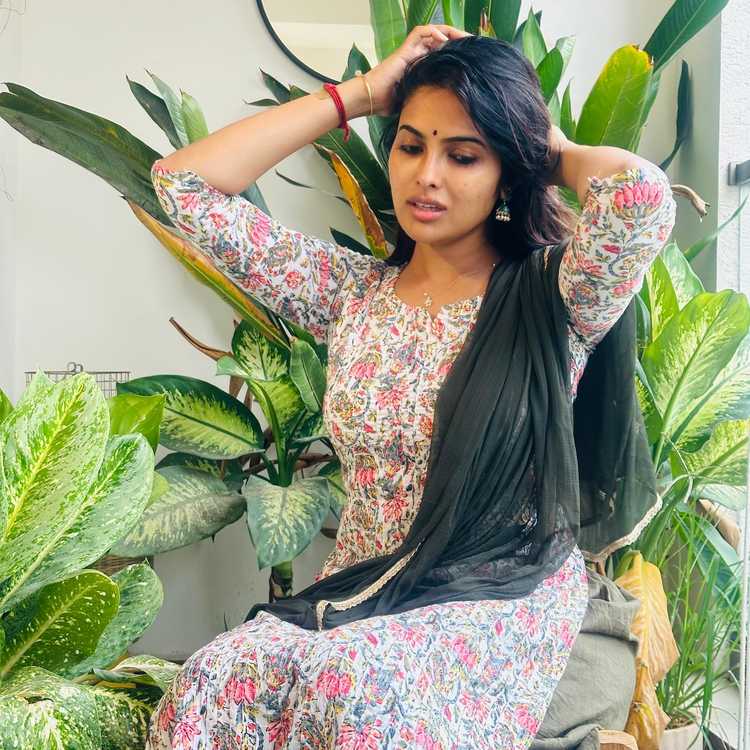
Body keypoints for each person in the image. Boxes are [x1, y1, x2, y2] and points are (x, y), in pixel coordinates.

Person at [144, 24, 677, 750]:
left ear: (506, 173)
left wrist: (543, 147)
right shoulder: (351, 294)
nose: (427, 175)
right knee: (215, 677)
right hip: (365, 583)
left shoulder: (556, 296)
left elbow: (639, 198)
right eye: (411, 145)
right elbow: (184, 185)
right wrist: (361, 94)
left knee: (353, 686)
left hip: (496, 593)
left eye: (464, 155)